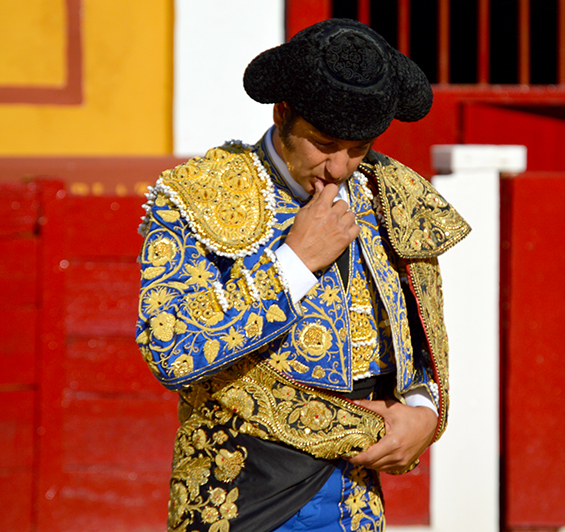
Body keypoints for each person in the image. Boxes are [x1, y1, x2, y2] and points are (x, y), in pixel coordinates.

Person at [136, 18, 470, 532]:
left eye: (358, 148)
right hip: (239, 489)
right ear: (283, 113)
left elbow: (423, 338)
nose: (339, 167)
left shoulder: (391, 195)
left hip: (356, 495)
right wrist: (293, 263)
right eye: (324, 143)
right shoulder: (200, 194)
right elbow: (172, 349)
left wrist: (424, 411)